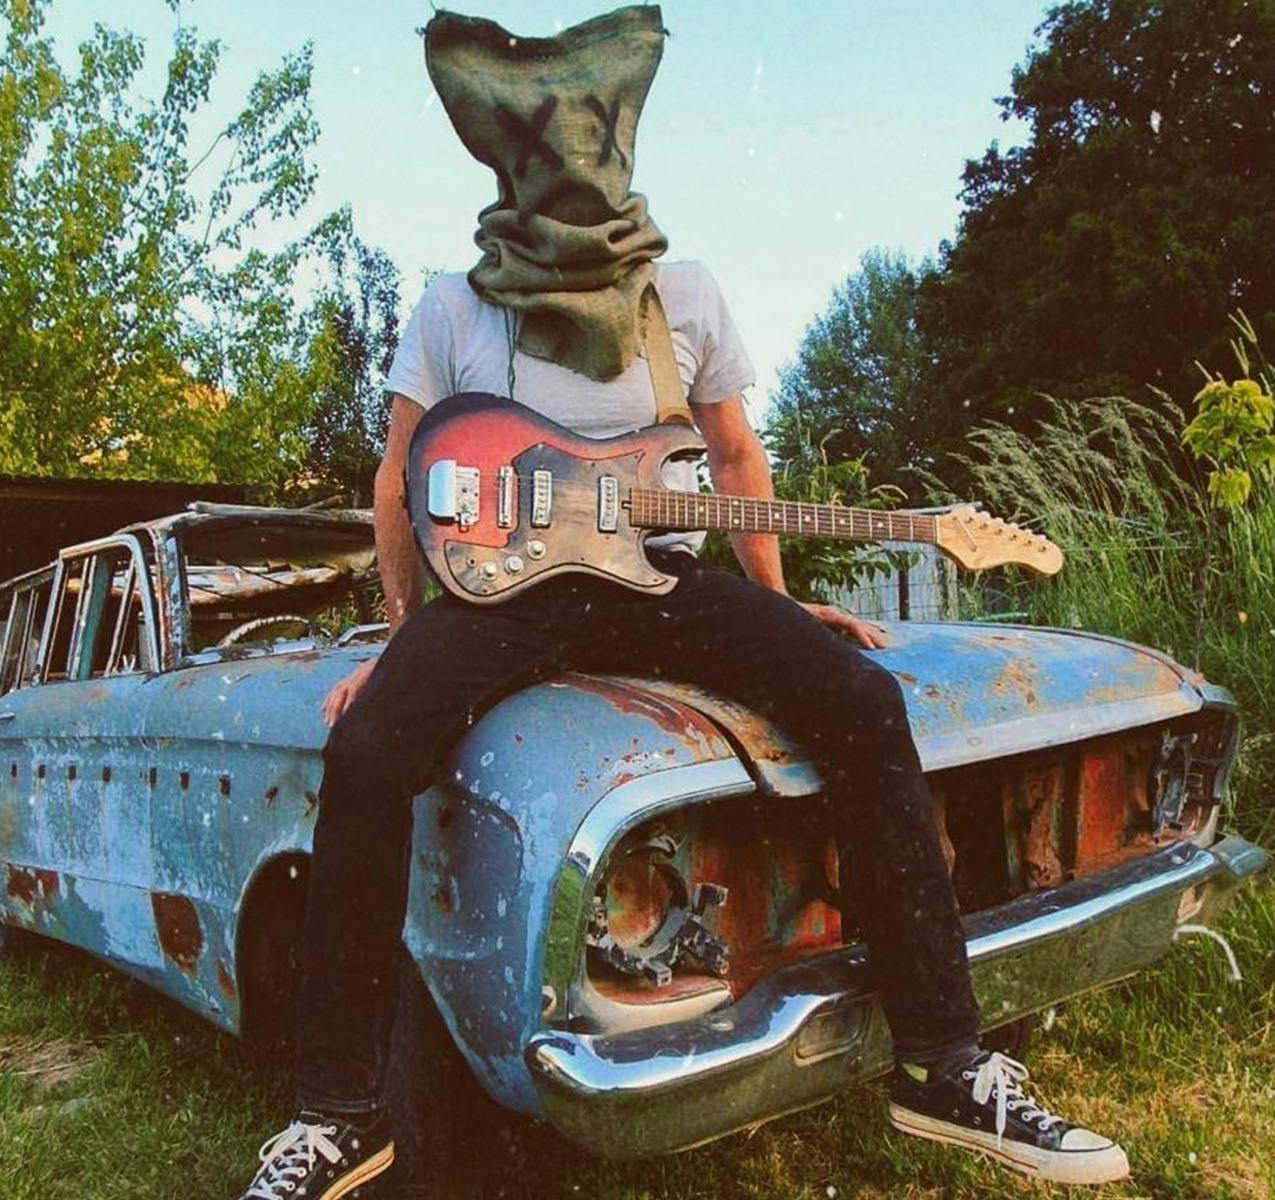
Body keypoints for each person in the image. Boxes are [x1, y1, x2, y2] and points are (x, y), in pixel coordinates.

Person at [238, 8, 1130, 1198]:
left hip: (663, 585)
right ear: (508, 163)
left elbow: (737, 461)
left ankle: (941, 1060)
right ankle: (341, 1117)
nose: (572, 171)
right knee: (365, 755)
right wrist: (401, 636)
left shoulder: (683, 295)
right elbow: (398, 482)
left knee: (861, 701)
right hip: (502, 603)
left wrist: (783, 605)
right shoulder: (453, 308)